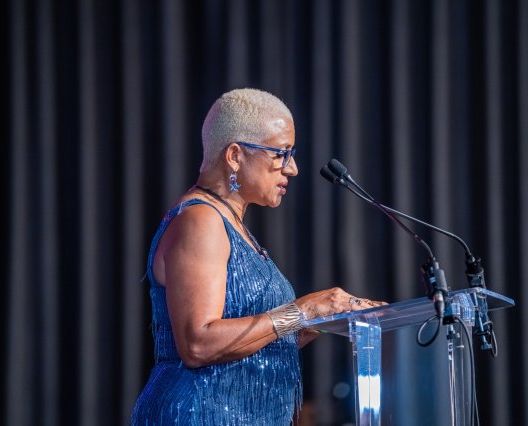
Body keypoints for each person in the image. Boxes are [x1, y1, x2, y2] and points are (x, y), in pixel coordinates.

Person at [130, 88, 384, 425]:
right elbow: (198, 344)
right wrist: (304, 310)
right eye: (281, 154)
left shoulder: (230, 223)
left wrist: (323, 321)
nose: (292, 169)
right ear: (235, 155)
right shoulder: (200, 220)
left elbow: (253, 346)